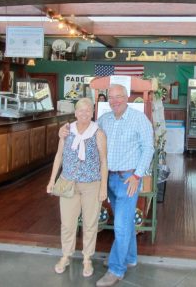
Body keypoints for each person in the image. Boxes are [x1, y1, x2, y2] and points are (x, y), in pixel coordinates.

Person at [61, 84, 154, 287]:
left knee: (120, 224)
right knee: (126, 220)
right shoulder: (104, 120)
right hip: (106, 177)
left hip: (128, 179)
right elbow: (84, 133)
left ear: (127, 97)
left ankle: (116, 269)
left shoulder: (140, 120)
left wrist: (137, 176)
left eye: (119, 97)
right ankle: (129, 258)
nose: (115, 101)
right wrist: (66, 130)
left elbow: (149, 148)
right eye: (111, 97)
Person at [47, 97, 108, 278]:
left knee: (90, 224)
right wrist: (51, 181)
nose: (84, 113)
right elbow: (59, 156)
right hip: (68, 183)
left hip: (92, 184)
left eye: (88, 110)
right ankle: (66, 255)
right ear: (75, 113)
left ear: (92, 113)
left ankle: (87, 259)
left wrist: (103, 187)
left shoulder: (98, 133)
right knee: (67, 223)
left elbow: (104, 161)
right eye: (81, 110)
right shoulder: (66, 131)